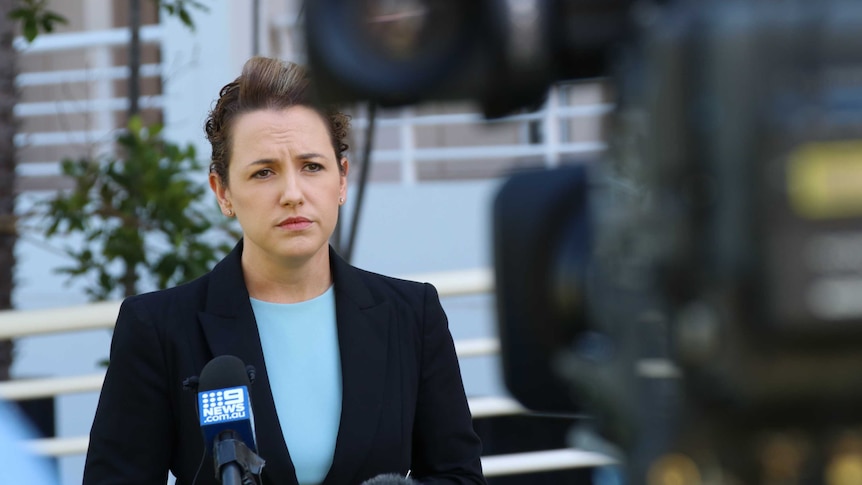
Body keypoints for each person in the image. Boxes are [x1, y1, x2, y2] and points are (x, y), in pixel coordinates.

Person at [82, 56, 486, 485]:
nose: (293, 193)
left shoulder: (412, 314)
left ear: (342, 179)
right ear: (223, 192)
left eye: (312, 166)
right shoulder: (158, 328)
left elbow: (457, 476)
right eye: (263, 172)